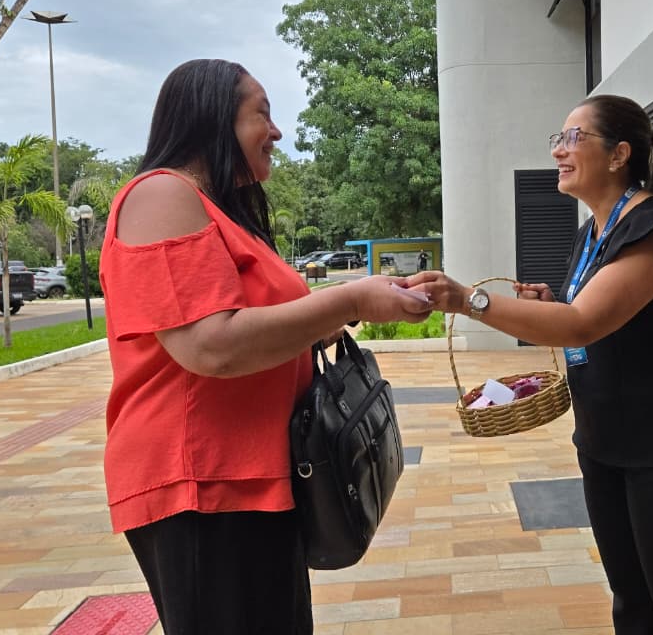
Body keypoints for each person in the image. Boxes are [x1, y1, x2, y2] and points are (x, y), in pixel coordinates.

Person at [99, 58, 432, 634]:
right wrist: (351, 301)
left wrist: (332, 317)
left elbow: (254, 325)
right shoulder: (160, 196)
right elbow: (211, 347)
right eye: (262, 114)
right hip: (202, 483)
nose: (276, 132)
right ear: (212, 119)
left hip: (252, 477)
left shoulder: (218, 212)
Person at [407, 94, 653, 634]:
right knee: (632, 603)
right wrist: (545, 306)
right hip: (607, 441)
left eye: (572, 138)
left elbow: (584, 323)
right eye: (556, 140)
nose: (559, 151)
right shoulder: (594, 231)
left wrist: (469, 299)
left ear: (618, 155)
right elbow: (584, 317)